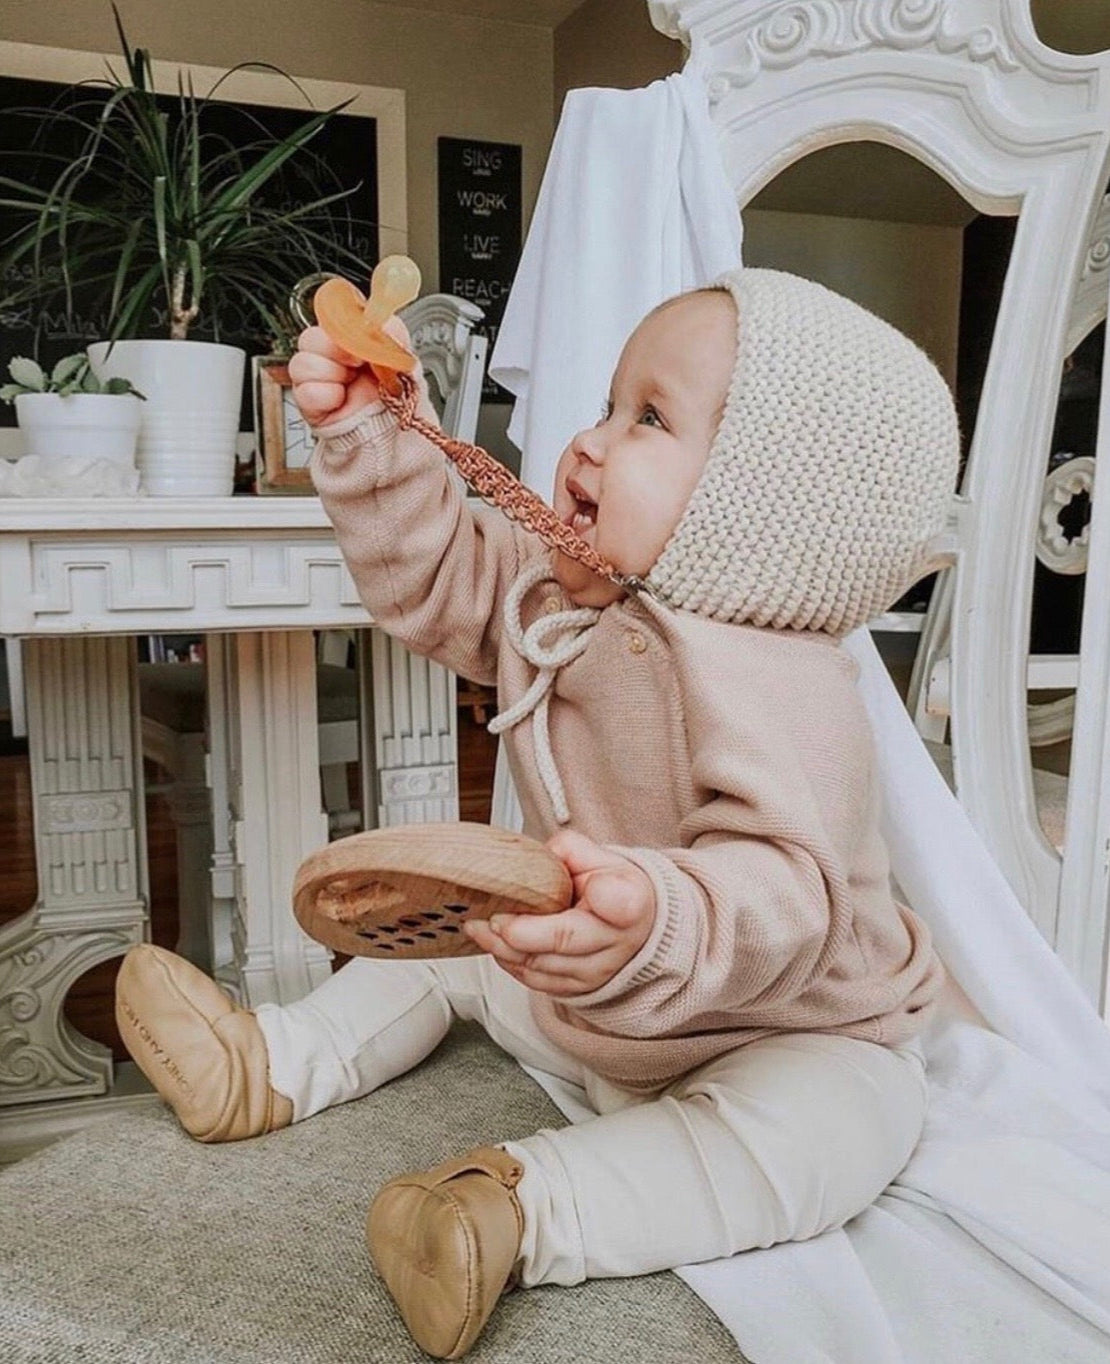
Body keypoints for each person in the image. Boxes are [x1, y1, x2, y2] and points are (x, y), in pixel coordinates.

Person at [116, 268, 960, 1360]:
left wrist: (651, 915)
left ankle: (515, 1210)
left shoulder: (782, 685)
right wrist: (373, 435)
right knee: (460, 940)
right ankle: (269, 1061)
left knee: (835, 1134)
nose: (589, 441)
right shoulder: (560, 598)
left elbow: (785, 895)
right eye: (607, 403)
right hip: (599, 998)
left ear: (759, 505)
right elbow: (438, 573)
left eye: (648, 417)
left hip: (784, 1026)